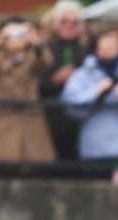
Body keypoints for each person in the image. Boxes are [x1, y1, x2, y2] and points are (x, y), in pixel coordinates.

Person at [62, 28, 118, 183]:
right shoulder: (82, 74)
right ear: (96, 46)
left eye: (114, 41)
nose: (111, 45)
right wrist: (96, 92)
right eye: (106, 41)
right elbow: (70, 103)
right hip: (94, 149)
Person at [0, 19, 56, 174]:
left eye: (19, 33)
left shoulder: (33, 55)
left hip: (29, 118)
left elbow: (47, 62)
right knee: (1, 168)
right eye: (10, 33)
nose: (15, 37)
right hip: (2, 117)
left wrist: (35, 41)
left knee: (32, 169)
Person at [41, 0, 88, 173]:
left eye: (74, 22)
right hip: (51, 118)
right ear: (56, 24)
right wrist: (55, 80)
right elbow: (35, 83)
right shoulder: (44, 49)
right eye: (64, 21)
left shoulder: (86, 50)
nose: (69, 26)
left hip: (78, 121)